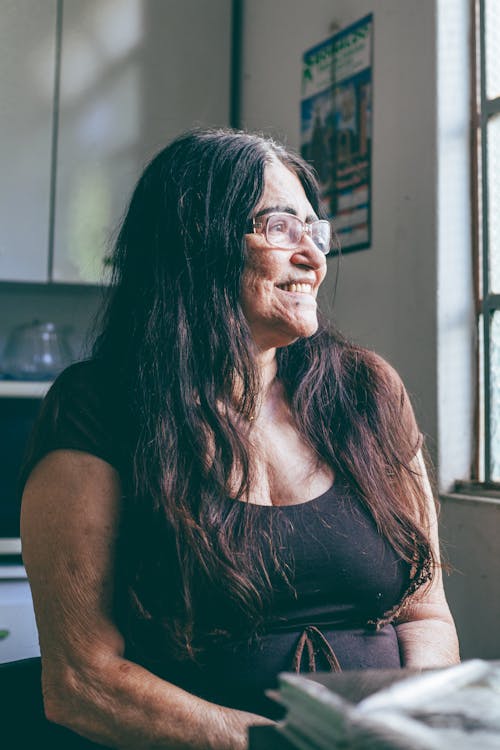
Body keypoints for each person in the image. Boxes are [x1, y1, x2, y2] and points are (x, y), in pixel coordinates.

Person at [20, 128, 460, 750]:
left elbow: (425, 613)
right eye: (281, 226)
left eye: (317, 231)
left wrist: (413, 729)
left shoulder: (368, 391)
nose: (312, 256)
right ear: (195, 240)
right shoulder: (100, 409)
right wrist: (290, 744)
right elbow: (80, 680)